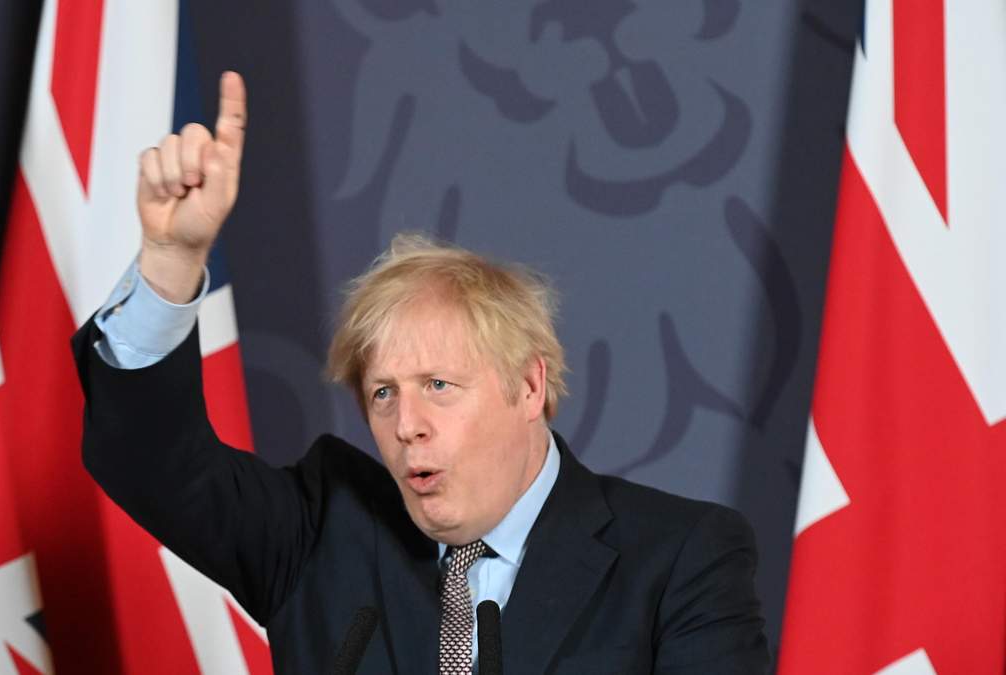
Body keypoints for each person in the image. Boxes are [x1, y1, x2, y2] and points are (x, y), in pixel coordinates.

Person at [72, 71, 769, 674]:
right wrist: (172, 259)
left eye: (439, 385)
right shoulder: (322, 531)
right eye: (383, 393)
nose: (407, 425)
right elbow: (148, 462)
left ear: (529, 386)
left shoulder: (679, 557)